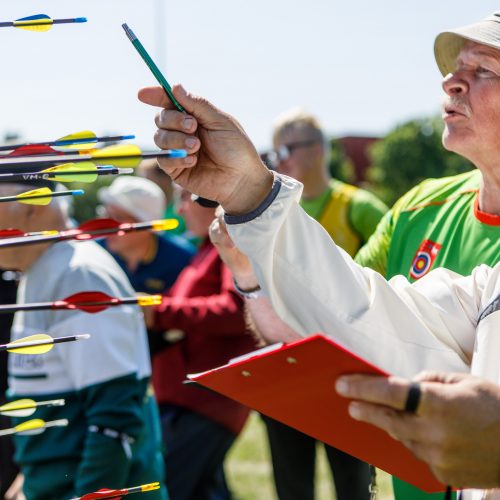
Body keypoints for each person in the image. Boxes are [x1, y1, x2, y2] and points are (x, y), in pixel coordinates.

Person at [136, 12, 500, 498]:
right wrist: (250, 191)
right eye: (455, 70)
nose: (450, 83)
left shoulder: (364, 205)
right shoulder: (451, 245)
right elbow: (362, 317)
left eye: (485, 70)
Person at [1, 177, 166, 499]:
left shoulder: (79, 276)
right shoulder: (44, 267)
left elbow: (115, 418)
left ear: (35, 210)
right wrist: (32, 475)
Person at [255, 109, 387, 500]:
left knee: (354, 486)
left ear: (317, 151)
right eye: (274, 150)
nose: (279, 159)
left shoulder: (360, 207)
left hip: (346, 367)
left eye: (287, 148)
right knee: (291, 485)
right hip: (287, 365)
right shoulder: (275, 209)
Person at [143, 188, 257, 500]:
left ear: (213, 200)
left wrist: (159, 312)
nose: (179, 210)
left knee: (170, 490)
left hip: (206, 400)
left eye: (184, 198)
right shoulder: (206, 249)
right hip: (188, 398)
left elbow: (237, 311)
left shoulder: (230, 247)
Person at [98, 175, 194, 297]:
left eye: (118, 218)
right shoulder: (92, 252)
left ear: (148, 226)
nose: (106, 225)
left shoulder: (182, 259)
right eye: (105, 215)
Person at [136, 159, 187, 237]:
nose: (143, 185)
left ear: (165, 178)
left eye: (148, 180)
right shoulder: (146, 210)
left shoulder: (183, 209)